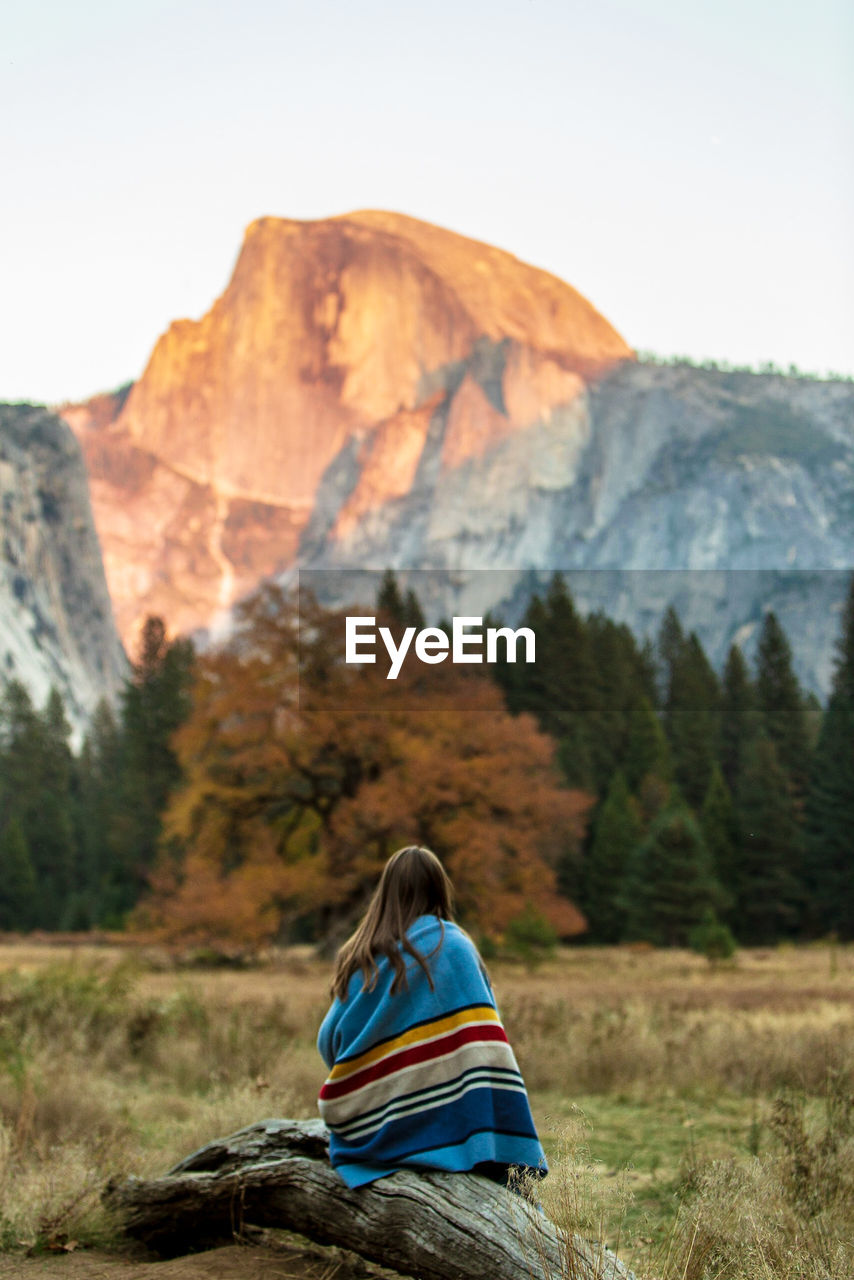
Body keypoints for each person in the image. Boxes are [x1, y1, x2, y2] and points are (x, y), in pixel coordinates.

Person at [317, 844, 547, 1189]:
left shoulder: (361, 953)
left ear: (386, 893)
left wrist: (376, 1070)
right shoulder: (454, 946)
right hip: (448, 1120)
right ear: (439, 889)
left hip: (364, 1124)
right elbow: (484, 1040)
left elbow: (327, 1042)